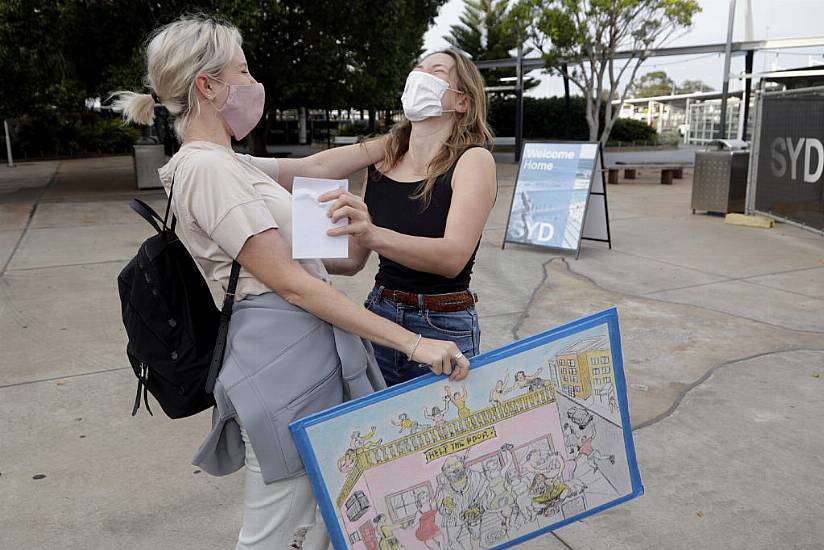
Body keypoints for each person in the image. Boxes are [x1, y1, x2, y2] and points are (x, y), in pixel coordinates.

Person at [113, 15, 470, 550]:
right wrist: (414, 343)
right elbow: (296, 286)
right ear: (208, 86)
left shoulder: (226, 162)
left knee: (319, 521)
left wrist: (394, 140)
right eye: (244, 69)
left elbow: (316, 166)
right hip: (282, 365)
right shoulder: (208, 171)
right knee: (281, 532)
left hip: (296, 358)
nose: (254, 82)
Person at [319, 49, 497, 386]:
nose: (421, 76)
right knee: (378, 431)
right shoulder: (383, 161)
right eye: (418, 68)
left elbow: (452, 258)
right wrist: (286, 254)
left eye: (437, 71)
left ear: (463, 101)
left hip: (444, 322)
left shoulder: (473, 161)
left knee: (444, 435)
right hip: (380, 314)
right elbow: (353, 260)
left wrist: (372, 234)